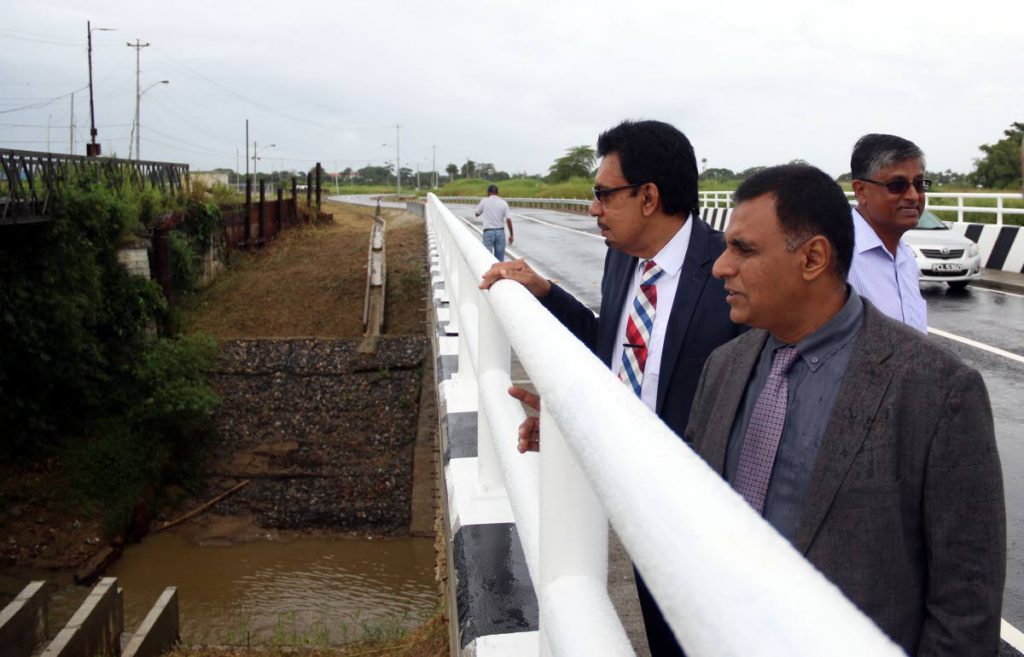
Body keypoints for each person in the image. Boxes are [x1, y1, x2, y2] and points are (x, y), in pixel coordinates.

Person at [685, 164, 1005, 656]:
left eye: (744, 250)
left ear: (813, 257)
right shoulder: (723, 368)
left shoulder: (937, 389)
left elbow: (966, 597)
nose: (720, 266)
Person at [480, 119, 743, 657]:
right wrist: (543, 291)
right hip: (640, 508)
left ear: (648, 196)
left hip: (708, 521)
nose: (595, 208)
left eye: (603, 194)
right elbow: (617, 346)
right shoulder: (622, 256)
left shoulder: (728, 269)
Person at [848, 134, 929, 333]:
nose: (912, 196)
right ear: (861, 191)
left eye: (919, 184)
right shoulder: (839, 257)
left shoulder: (906, 257)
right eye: (897, 186)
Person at [475, 183, 514, 261]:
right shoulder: (503, 203)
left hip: (488, 232)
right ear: (498, 193)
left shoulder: (484, 201)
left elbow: (477, 213)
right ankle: (498, 273)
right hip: (500, 232)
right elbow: (508, 219)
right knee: (499, 260)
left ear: (488, 193)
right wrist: (511, 235)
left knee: (487, 258)